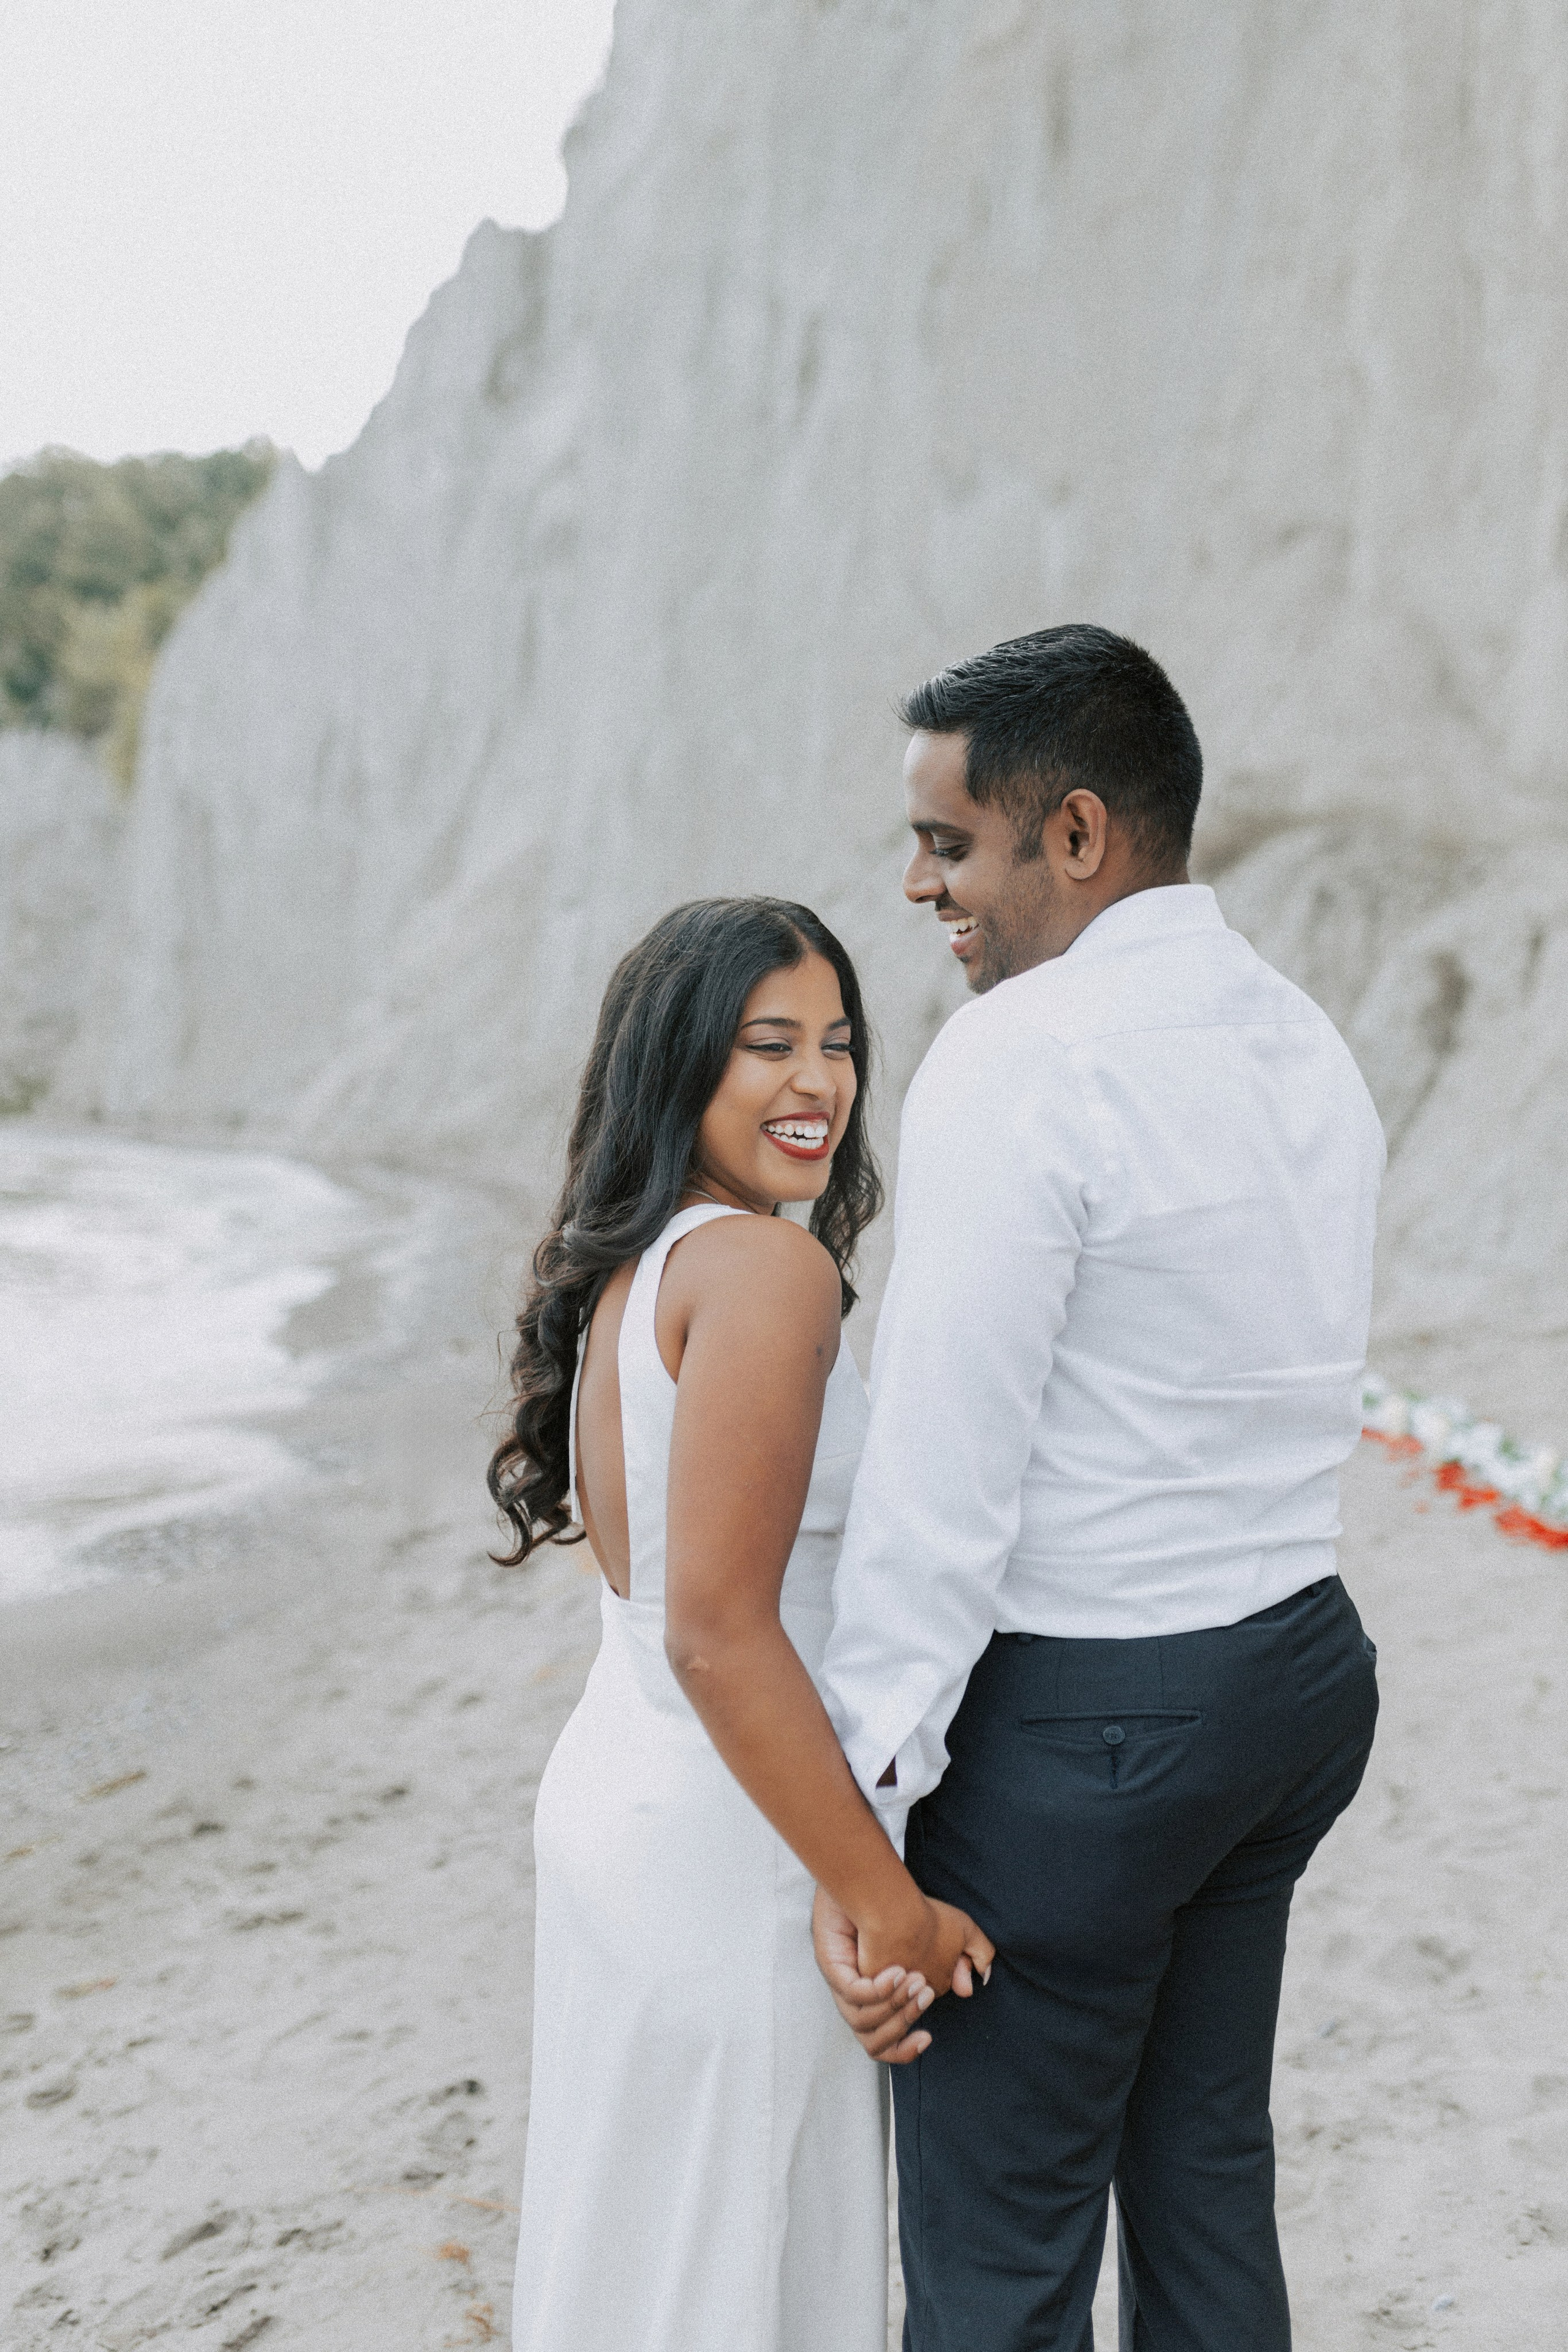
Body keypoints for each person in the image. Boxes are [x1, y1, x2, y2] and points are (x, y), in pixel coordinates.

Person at [815, 626, 1385, 2350]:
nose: (918, 884)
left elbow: (943, 1473)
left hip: (1090, 1736)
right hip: (1292, 1681)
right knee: (1204, 2179)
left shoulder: (1026, 1058)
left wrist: (860, 1828)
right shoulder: (1305, 1043)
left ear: (1076, 835)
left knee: (999, 2267)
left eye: (948, 842)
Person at [491, 896, 993, 2352]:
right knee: (741, 2279)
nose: (817, 1081)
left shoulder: (641, 1274)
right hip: (739, 1846)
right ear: (677, 1066)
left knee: (646, 2269)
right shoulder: (767, 1273)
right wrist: (884, 1900)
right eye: (766, 1043)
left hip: (631, 1809)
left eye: (837, 1042)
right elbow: (718, 1630)